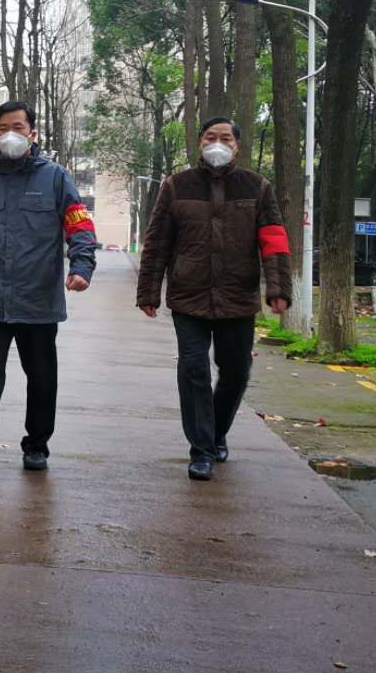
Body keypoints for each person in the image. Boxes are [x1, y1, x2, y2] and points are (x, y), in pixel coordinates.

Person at [136, 116, 292, 482]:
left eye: (225, 138)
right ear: (200, 143)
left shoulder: (257, 187)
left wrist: (278, 288)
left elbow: (273, 240)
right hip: (188, 296)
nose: (217, 144)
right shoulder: (177, 185)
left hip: (238, 297)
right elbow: (158, 242)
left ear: (237, 146)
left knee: (236, 370)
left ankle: (217, 432)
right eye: (210, 137)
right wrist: (148, 291)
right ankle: (201, 450)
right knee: (193, 369)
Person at [0, 101, 96, 478]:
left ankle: (36, 445)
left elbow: (79, 226)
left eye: (18, 127)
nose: (10, 134)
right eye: (3, 128)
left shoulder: (56, 178)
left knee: (42, 377)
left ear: (33, 133)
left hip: (38, 299)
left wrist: (82, 266)